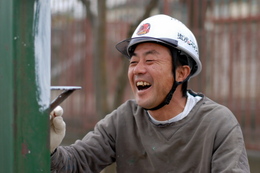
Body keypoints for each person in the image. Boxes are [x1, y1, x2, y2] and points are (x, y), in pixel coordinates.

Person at [50, 14, 250, 172]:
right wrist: (48, 150)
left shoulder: (218, 125)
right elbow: (76, 164)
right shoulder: (124, 120)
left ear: (182, 72)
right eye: (134, 61)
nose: (138, 69)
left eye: (150, 60)